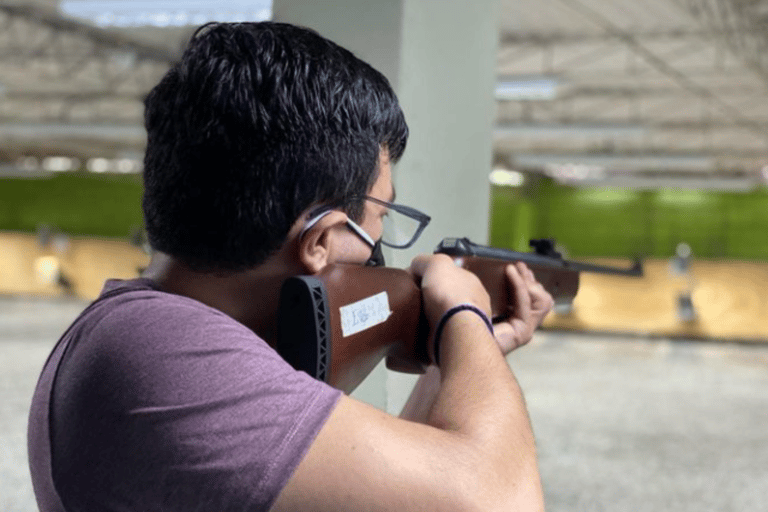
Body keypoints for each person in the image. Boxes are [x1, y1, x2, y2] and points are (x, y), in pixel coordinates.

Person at [28, 21, 553, 512]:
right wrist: (465, 311)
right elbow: (500, 500)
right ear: (322, 238)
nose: (380, 244)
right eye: (380, 216)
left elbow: (404, 491)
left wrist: (461, 352)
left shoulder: (152, 336)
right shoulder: (165, 352)